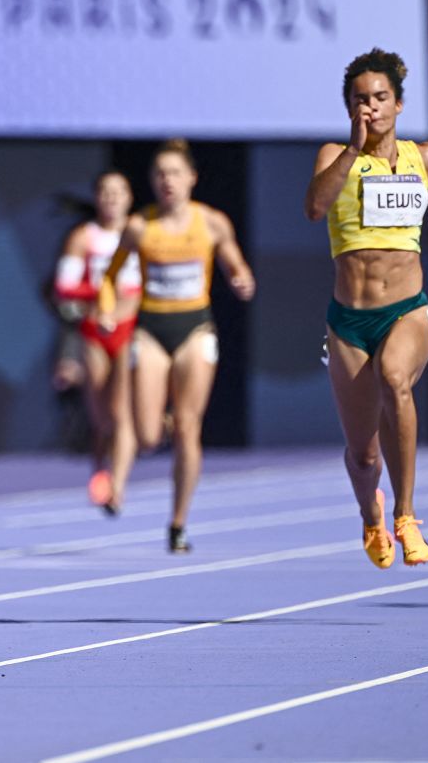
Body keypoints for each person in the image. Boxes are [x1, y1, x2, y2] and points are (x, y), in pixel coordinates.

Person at [304, 48, 428, 568]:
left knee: (397, 378)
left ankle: (406, 515)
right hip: (349, 322)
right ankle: (371, 516)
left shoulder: (425, 156)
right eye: (359, 100)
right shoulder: (335, 155)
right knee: (363, 454)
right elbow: (314, 208)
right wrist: (352, 150)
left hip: (408, 310)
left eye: (379, 98)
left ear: (398, 103)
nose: (370, 108)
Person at [99, 139, 256, 553]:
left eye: (175, 173)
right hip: (151, 329)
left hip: (195, 329)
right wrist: (107, 309)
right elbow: (111, 276)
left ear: (191, 179)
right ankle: (163, 421)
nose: (167, 181)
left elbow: (235, 263)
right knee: (149, 436)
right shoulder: (139, 226)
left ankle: (178, 522)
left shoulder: (212, 223)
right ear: (152, 181)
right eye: (160, 174)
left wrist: (241, 279)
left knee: (189, 428)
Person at [53, 171, 142, 514]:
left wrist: (131, 296)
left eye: (118, 192)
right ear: (97, 197)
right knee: (102, 417)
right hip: (93, 331)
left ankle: (117, 487)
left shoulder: (139, 233)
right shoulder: (83, 237)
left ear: (129, 197)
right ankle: (100, 467)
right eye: (105, 192)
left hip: (130, 328)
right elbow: (64, 287)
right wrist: (101, 290)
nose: (111, 198)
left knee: (122, 414)